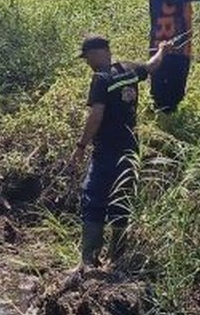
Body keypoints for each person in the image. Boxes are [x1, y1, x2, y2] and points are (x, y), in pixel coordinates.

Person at [69, 34, 171, 267]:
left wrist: (81, 145)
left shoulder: (101, 78)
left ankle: (89, 259)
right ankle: (116, 258)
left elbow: (96, 115)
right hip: (130, 149)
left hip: (106, 150)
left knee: (93, 197)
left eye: (87, 57)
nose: (87, 63)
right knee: (120, 200)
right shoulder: (129, 69)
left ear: (100, 52)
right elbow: (151, 66)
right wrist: (163, 50)